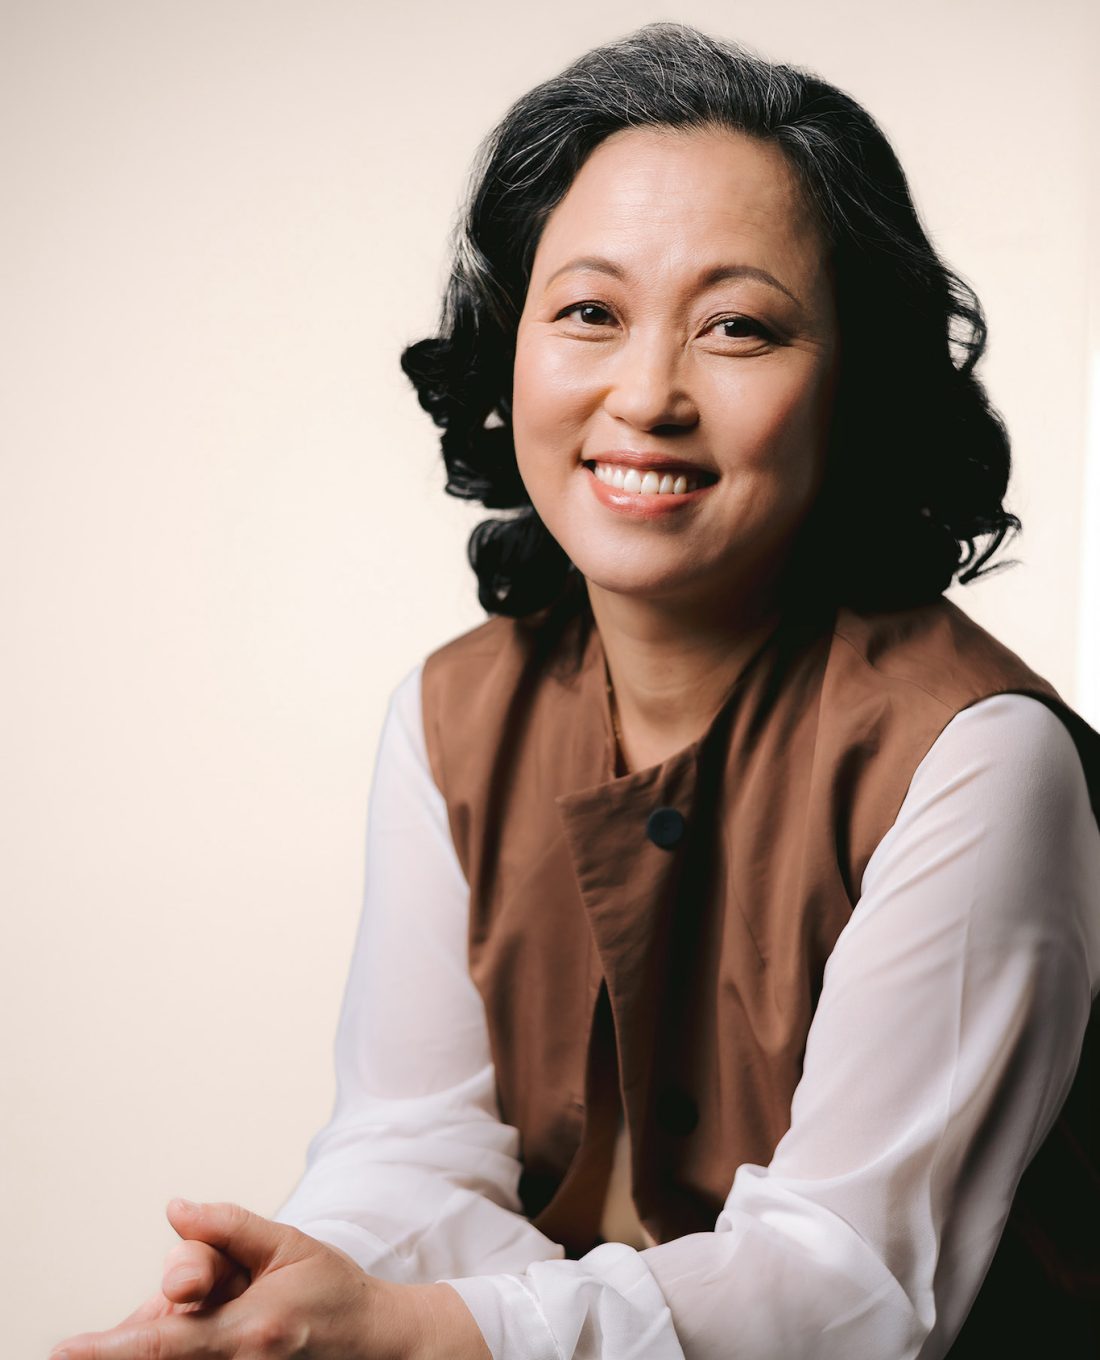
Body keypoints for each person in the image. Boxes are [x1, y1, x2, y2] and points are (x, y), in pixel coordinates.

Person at [49, 21, 1100, 1360]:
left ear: (856, 387)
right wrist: (297, 1294)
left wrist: (426, 1334)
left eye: (738, 327)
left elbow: (853, 1288)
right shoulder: (448, 717)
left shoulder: (979, 758)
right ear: (509, 353)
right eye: (591, 312)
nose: (647, 394)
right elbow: (413, 1144)